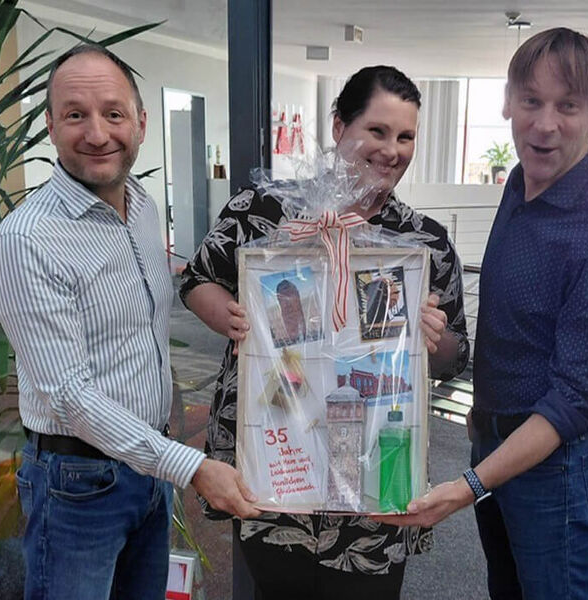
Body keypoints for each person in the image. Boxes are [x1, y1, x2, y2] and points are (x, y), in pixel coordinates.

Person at [376, 28, 588, 600]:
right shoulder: (522, 182)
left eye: (567, 106)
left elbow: (575, 400)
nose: (544, 124)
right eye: (531, 101)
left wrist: (467, 486)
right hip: (494, 441)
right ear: (508, 102)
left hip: (556, 467)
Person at [180, 65, 470, 600]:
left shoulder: (421, 242)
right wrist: (231, 317)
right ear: (339, 126)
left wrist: (433, 337)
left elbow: (455, 357)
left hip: (375, 469)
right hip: (275, 455)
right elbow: (197, 279)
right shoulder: (264, 210)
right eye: (378, 130)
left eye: (406, 136)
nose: (392, 150)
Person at [0, 45, 259, 600]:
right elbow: (69, 396)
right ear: (50, 126)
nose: (97, 133)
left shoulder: (141, 206)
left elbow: (144, 323)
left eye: (113, 113)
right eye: (75, 114)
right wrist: (191, 467)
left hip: (148, 467)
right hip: (77, 485)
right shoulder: (27, 239)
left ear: (141, 122)